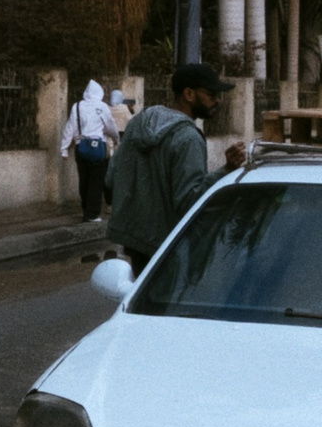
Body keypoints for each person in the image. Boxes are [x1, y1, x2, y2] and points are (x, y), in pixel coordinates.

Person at [108, 62, 223, 273]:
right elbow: (190, 201)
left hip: (137, 242)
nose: (218, 100)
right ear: (189, 94)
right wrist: (226, 171)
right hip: (170, 248)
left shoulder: (138, 123)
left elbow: (111, 179)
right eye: (211, 94)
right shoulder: (188, 138)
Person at [58, 79, 114, 221]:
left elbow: (69, 127)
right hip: (98, 148)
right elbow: (110, 126)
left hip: (80, 147)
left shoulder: (77, 107)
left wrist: (64, 149)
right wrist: (116, 139)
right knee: (96, 181)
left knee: (84, 180)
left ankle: (86, 210)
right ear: (99, 93)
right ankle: (92, 214)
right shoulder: (103, 107)